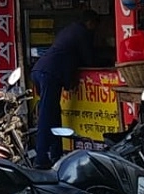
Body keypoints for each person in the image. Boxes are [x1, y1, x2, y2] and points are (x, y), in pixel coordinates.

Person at [30, 10, 99, 168]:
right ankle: (41, 158)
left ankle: (56, 153)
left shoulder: (70, 30)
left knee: (53, 114)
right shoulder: (82, 32)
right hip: (50, 73)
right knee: (47, 117)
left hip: (40, 70)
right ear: (90, 23)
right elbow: (89, 59)